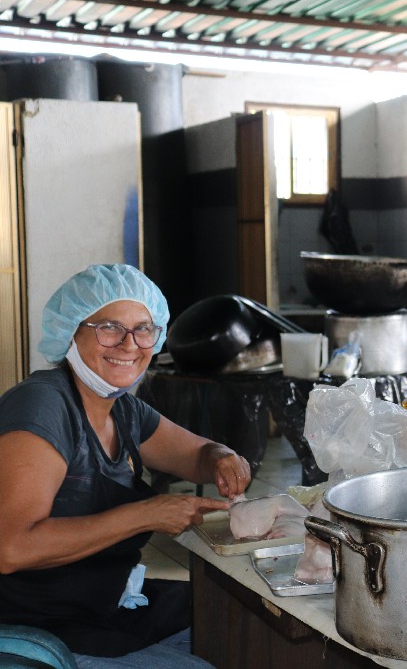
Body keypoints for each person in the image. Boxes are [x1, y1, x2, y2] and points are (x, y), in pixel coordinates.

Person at [0, 264, 252, 667]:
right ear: (71, 332)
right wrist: (145, 515)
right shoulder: (43, 406)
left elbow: (196, 455)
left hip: (102, 602)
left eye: (144, 329)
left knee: (238, 619)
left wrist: (221, 457)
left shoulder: (124, 410)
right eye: (109, 328)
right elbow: (10, 548)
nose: (130, 344)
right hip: (38, 624)